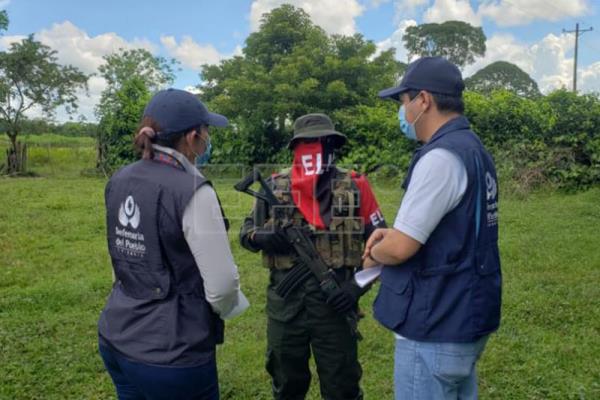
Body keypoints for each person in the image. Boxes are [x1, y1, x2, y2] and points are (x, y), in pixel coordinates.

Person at [362, 57, 502, 400]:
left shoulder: (440, 158)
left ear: (423, 100)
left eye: (403, 102)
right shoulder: (473, 150)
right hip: (464, 313)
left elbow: (400, 249)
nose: (402, 112)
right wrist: (393, 234)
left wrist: (373, 252)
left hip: (436, 322)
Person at [98, 88, 249, 400]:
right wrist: (227, 308)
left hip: (116, 337)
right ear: (192, 137)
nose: (208, 139)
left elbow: (121, 259)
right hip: (173, 355)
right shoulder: (193, 190)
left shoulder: (120, 178)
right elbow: (221, 285)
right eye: (207, 131)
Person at [239, 113, 387, 400]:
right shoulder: (274, 187)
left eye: (322, 142)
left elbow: (383, 244)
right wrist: (262, 237)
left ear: (333, 145)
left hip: (334, 304)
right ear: (296, 149)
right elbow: (246, 234)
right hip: (285, 309)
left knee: (341, 386)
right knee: (286, 385)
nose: (315, 149)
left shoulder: (356, 185)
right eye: (307, 143)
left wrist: (357, 286)